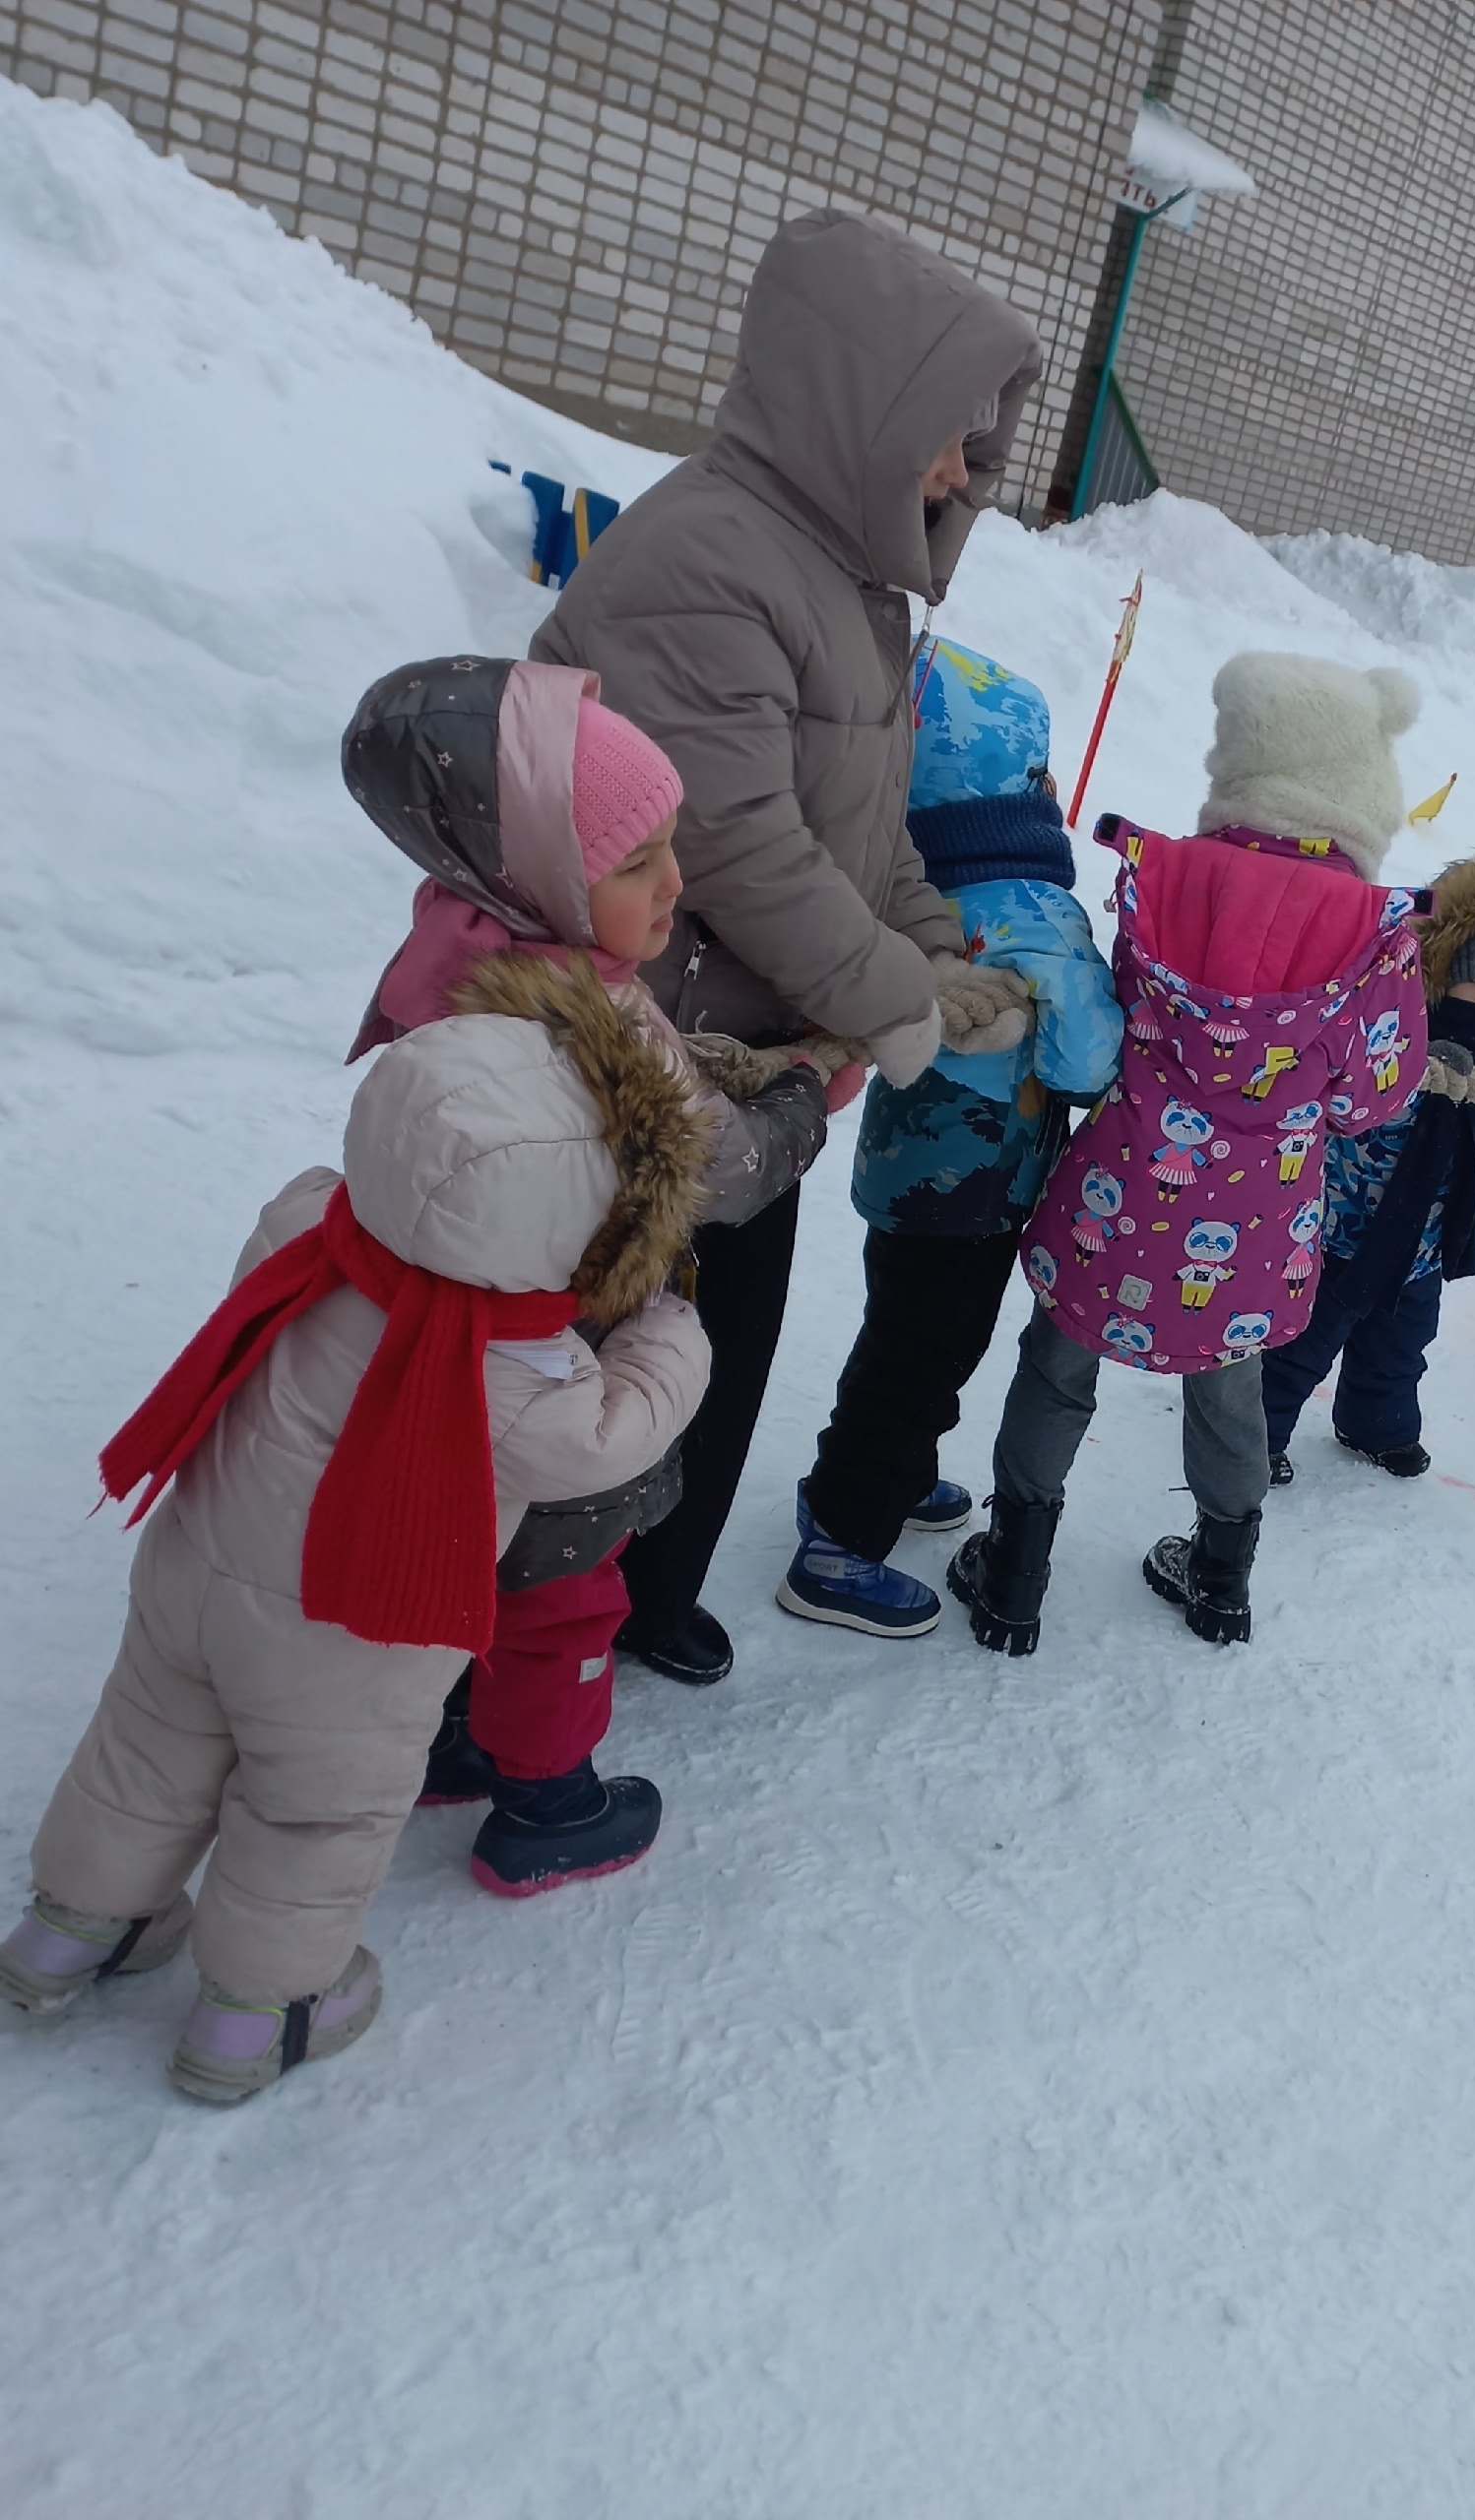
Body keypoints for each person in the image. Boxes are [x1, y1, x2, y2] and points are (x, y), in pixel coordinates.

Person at [0, 993, 712, 2100]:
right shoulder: (520, 1377)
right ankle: (255, 2015)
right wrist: (667, 1333)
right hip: (342, 1639)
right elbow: (611, 1440)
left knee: (145, 1749)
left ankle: (67, 1934)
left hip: (194, 1569)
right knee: (308, 1814)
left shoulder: (307, 1226)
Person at [531, 206, 1043, 1686]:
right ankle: (512, 1662)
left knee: (719, 1353)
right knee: (604, 1370)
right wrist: (906, 1000)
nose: (962, 472)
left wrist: (941, 944)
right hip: (645, 1063)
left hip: (747, 1072)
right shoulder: (708, 559)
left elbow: (862, 829)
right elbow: (742, 844)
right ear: (861, 406)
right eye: (949, 435)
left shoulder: (848, 587)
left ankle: (639, 1597)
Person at [340, 656, 844, 1888]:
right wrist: (796, 1095)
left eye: (673, 845)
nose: (676, 884)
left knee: (464, 1555)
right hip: (557, 1353)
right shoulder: (593, 1021)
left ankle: (448, 1736)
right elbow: (721, 1169)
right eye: (636, 862)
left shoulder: (461, 944)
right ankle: (547, 1803)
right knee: (561, 1587)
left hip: (424, 1349)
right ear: (546, 879)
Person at [948, 652, 1432, 1651]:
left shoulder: (1163, 876)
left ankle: (1013, 1575)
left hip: (1122, 1189)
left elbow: (1119, 1015)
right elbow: (1375, 1094)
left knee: (1055, 1364)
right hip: (1253, 1221)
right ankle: (1220, 1581)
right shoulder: (1375, 931)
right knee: (1229, 1388)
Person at [781, 642, 1122, 1638]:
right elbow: (1084, 1061)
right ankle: (841, 1541)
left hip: (900, 1175)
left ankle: (867, 1478)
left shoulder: (905, 887)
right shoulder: (1034, 912)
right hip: (978, 1193)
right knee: (929, 1353)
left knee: (898, 1335)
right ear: (1025, 783)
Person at [1262, 847, 1475, 1480]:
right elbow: (1357, 1120)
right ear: (1437, 977)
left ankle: (1374, 1426)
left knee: (1398, 1353)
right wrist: (1419, 1076)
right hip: (1336, 1240)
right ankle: (1254, 1437)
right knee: (1297, 1349)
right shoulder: (1385, 1038)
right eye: (1472, 981)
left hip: (1422, 1252)